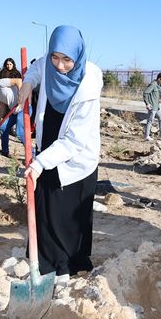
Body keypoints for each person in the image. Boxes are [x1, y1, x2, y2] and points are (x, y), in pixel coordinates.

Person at [18, 25, 103, 283]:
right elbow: (37, 67)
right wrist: (27, 84)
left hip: (77, 157)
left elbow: (74, 140)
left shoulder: (88, 87)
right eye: (56, 57)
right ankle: (49, 262)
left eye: (67, 59)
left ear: (77, 56)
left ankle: (71, 264)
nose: (60, 65)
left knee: (70, 214)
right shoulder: (48, 66)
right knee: (48, 208)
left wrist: (40, 162)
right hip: (48, 145)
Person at [0, 74, 25, 157]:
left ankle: (32, 153)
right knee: (3, 127)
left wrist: (20, 95)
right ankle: (5, 151)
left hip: (24, 109)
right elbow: (3, 108)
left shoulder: (0, 83)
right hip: (14, 111)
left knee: (19, 132)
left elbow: (18, 81)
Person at [143, 73, 161, 141]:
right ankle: (146, 136)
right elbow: (145, 93)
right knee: (150, 121)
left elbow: (155, 95)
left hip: (157, 107)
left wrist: (159, 99)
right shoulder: (153, 84)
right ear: (159, 79)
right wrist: (147, 103)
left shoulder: (158, 86)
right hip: (152, 107)